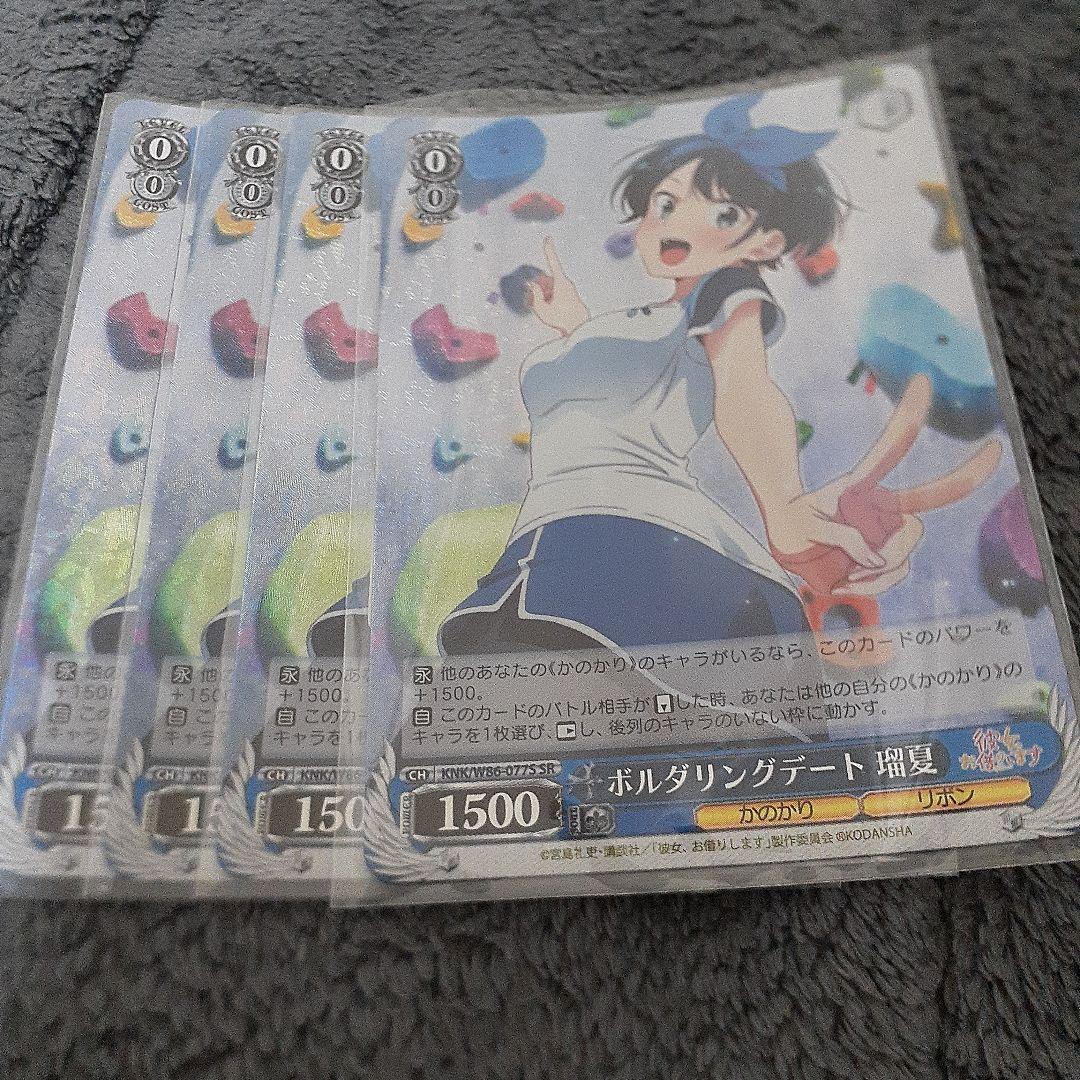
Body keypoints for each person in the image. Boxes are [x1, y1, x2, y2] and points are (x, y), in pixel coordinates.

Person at [440, 94, 999, 657]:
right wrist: (575, 328)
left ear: (766, 243)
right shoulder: (633, 324)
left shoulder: (726, 290)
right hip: (546, 540)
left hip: (638, 536)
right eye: (665, 203)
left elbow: (744, 389)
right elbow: (607, 401)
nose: (676, 225)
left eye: (723, 215)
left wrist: (782, 503)